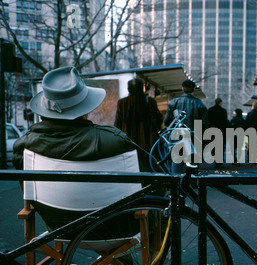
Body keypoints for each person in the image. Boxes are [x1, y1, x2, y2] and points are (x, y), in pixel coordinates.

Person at [13, 66, 165, 229]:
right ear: (85, 109)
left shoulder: (24, 145)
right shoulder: (114, 142)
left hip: (58, 227)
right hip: (115, 228)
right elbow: (158, 181)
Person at [163, 79, 207, 172]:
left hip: (176, 138)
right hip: (194, 138)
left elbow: (167, 121)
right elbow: (204, 123)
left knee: (176, 162)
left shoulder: (173, 102)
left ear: (182, 89)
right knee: (193, 164)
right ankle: (192, 184)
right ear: (193, 89)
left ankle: (176, 183)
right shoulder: (200, 104)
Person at [114, 78, 163, 153]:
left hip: (129, 141)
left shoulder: (122, 103)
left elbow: (118, 122)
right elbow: (158, 120)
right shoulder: (150, 101)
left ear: (128, 89)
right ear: (142, 88)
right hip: (148, 142)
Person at [207, 98, 229, 166]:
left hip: (212, 130)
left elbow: (208, 121)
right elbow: (225, 122)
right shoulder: (223, 111)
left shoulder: (210, 110)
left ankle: (214, 156)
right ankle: (219, 160)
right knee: (220, 146)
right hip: (221, 131)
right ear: (220, 103)